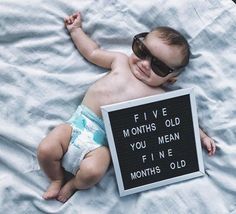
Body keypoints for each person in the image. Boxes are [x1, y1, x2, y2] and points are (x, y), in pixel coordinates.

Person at [37, 11, 216, 203]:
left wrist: (203, 137)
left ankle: (74, 184)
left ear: (170, 80)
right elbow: (92, 52)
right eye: (142, 51)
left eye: (159, 67)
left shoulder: (159, 96)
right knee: (46, 149)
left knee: (92, 172)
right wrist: (76, 30)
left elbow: (180, 120)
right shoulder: (120, 62)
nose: (145, 64)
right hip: (75, 125)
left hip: (101, 146)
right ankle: (56, 178)